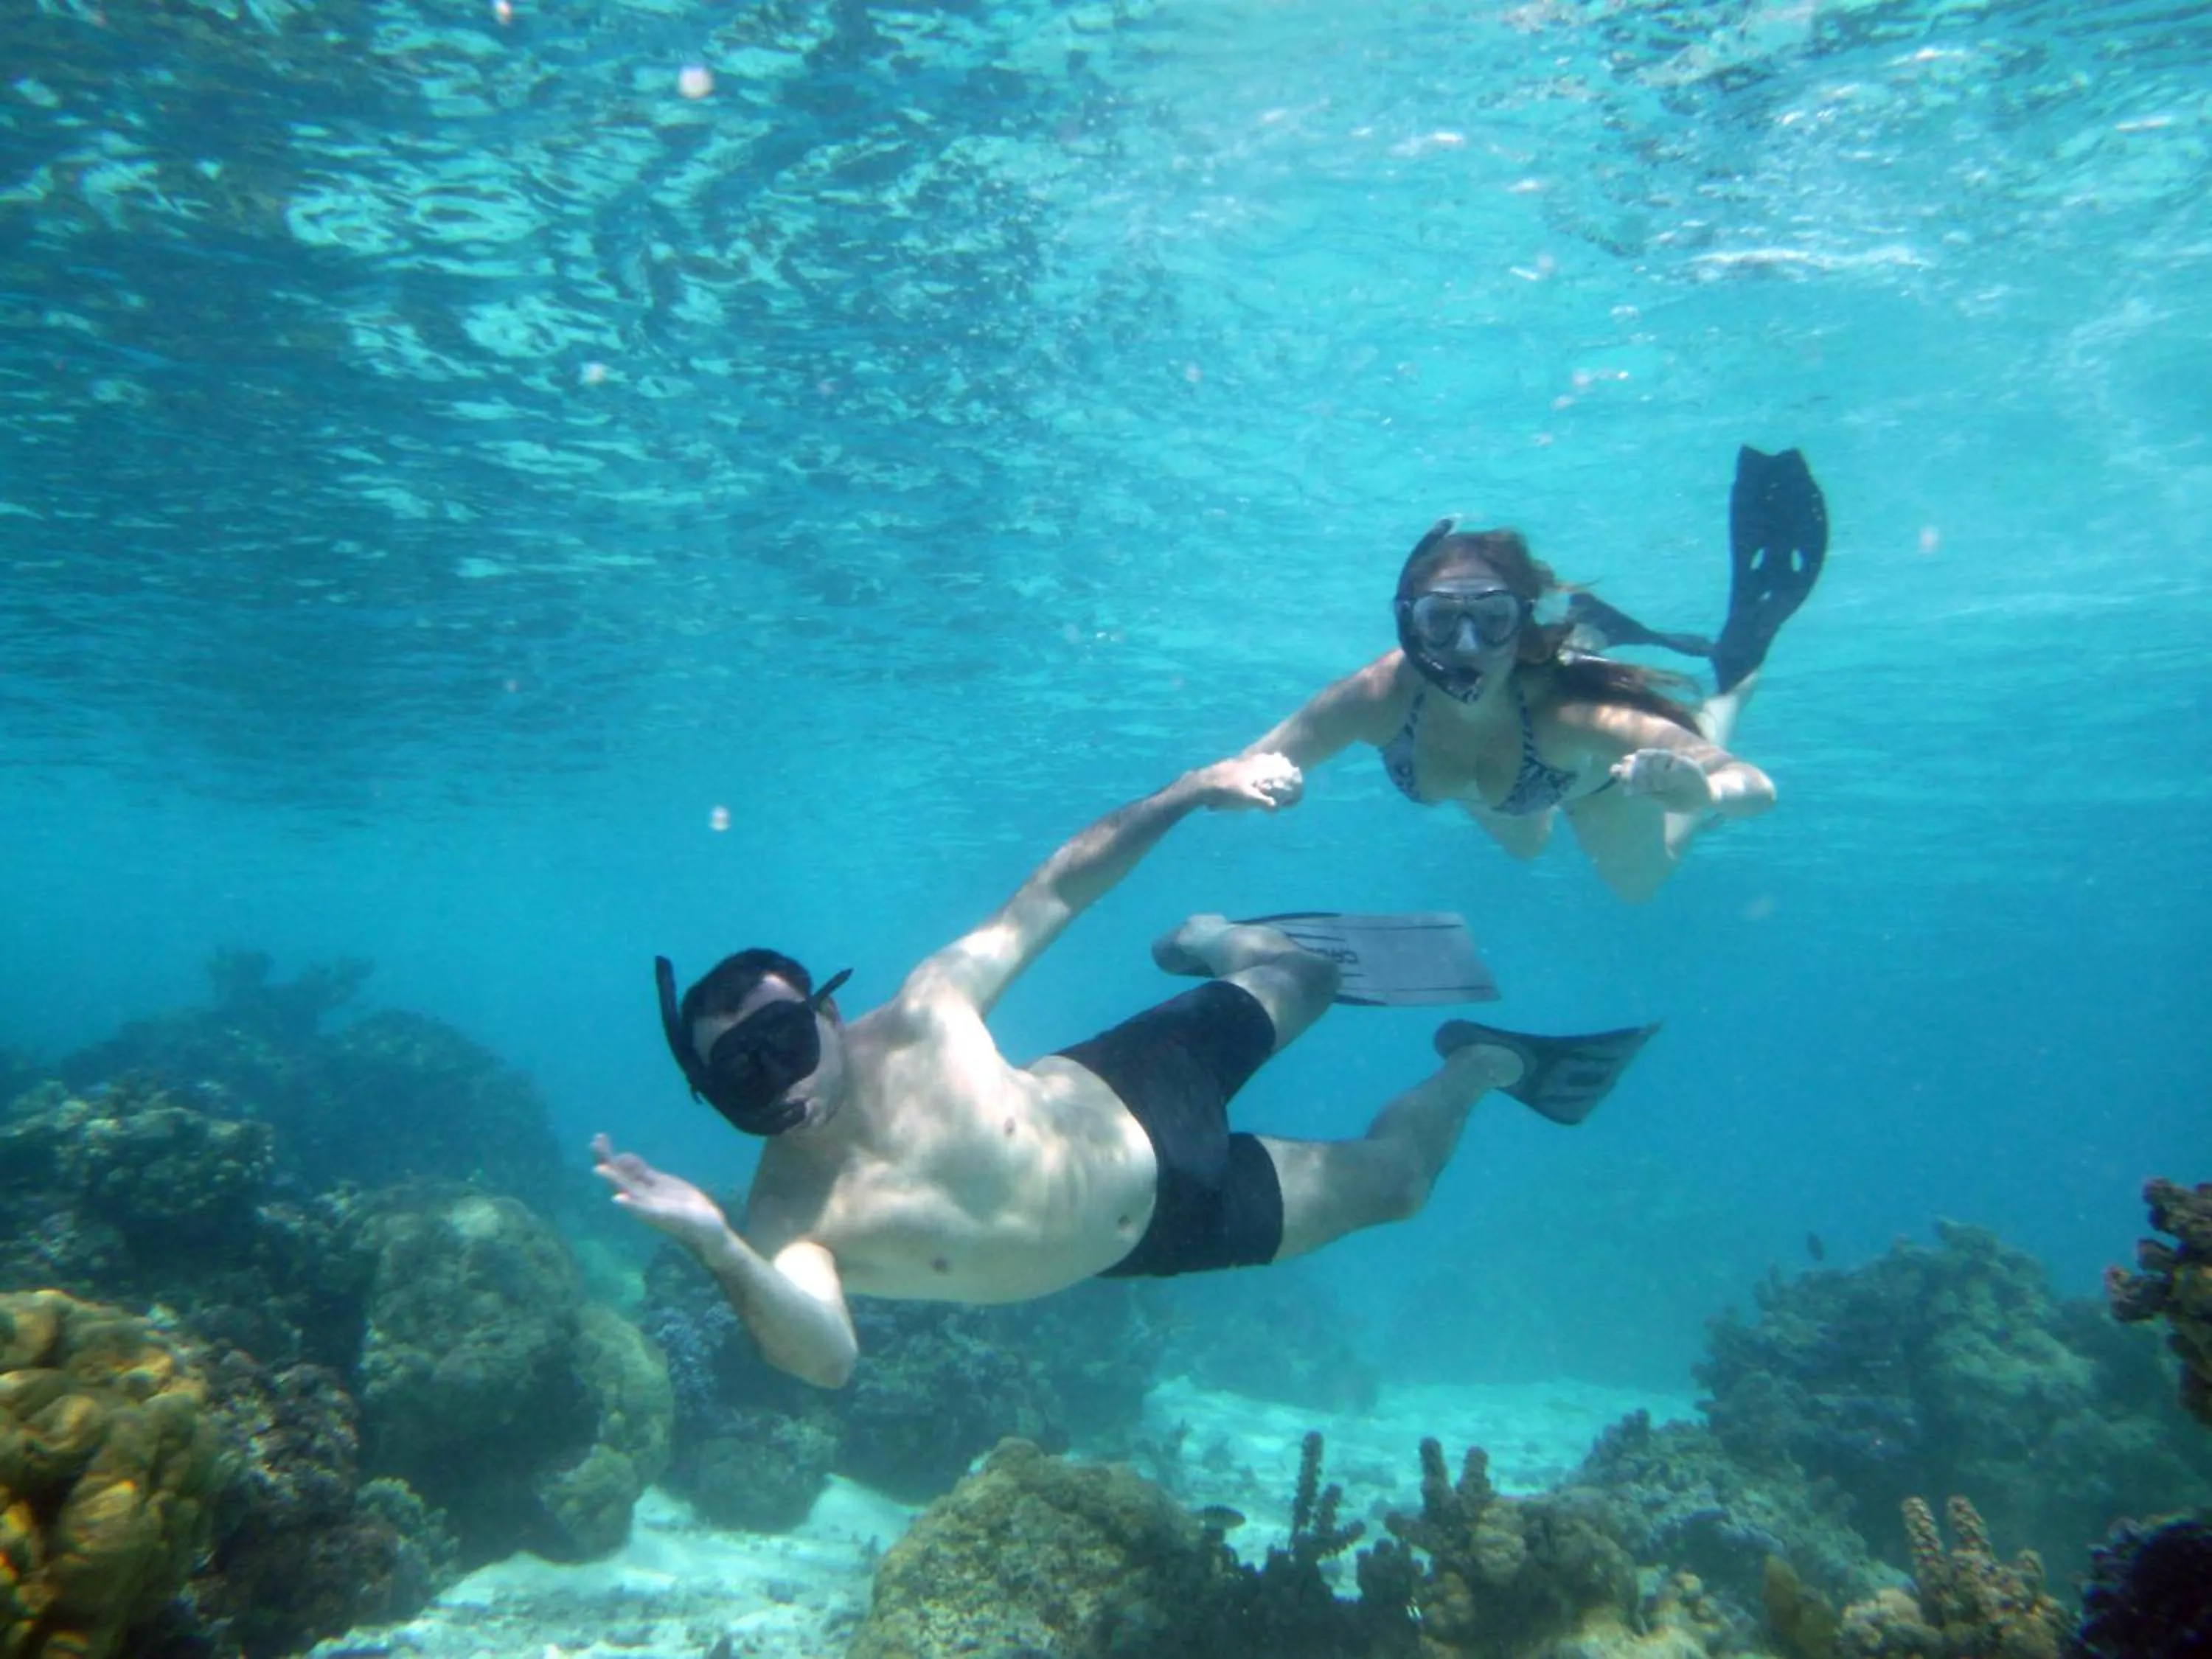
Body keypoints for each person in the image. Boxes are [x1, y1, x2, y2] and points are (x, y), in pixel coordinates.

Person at [593, 753, 1649, 1388]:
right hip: (1155, 1232)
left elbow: (1054, 890)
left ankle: (1224, 940)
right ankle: (1482, 1066)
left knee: (1313, 977)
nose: (779, 1082)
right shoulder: (784, 1211)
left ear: (827, 1010)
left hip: (1134, 1090)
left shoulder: (924, 1014)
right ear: (713, 1095)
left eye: (784, 1040)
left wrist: (1193, 790)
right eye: (739, 1074)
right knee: (1402, 1188)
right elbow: (824, 1359)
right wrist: (715, 1245)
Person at [1242, 446, 1827, 903]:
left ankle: (1731, 689)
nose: (1466, 646)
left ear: (1522, 627)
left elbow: (1758, 790)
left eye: (1493, 619)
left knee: (1636, 889)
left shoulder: (1573, 717)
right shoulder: (1371, 698)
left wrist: (1704, 791)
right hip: (1510, 786)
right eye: (1441, 619)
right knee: (1528, 846)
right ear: (1409, 626)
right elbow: (1238, 772)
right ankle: (1585, 645)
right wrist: (1251, 785)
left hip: (1601, 786)